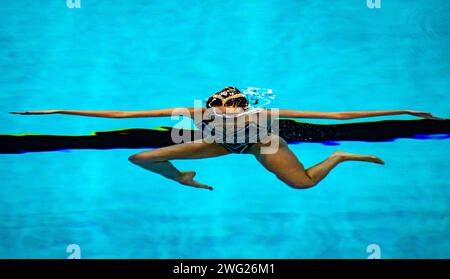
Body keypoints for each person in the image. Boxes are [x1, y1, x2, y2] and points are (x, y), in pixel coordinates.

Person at [10, 86, 444, 191]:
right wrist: (57, 110)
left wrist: (403, 111)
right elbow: (122, 113)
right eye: (222, 106)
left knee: (302, 184)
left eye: (233, 107)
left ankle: (343, 157)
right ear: (215, 104)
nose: (226, 110)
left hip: (262, 144)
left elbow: (337, 114)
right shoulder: (198, 111)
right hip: (217, 146)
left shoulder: (265, 115)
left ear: (243, 106)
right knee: (140, 157)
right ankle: (181, 178)